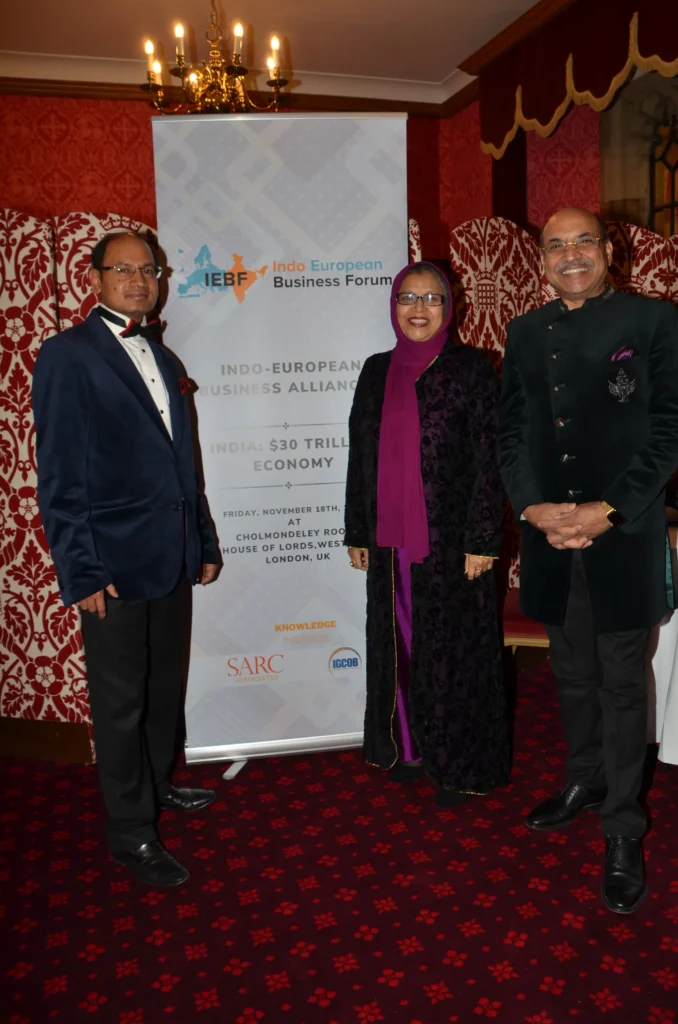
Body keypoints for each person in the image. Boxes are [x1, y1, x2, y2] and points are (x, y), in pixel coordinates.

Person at [498, 207, 678, 914]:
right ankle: (585, 779)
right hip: (550, 539)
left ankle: (624, 828)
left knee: (623, 685)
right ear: (541, 260)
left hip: (623, 536)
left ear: (609, 250)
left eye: (583, 241)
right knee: (572, 675)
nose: (570, 254)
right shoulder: (523, 331)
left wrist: (608, 510)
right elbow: (511, 433)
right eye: (555, 245)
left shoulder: (653, 321)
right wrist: (533, 508)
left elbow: (669, 431)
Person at [32, 231, 221, 887]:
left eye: (149, 270)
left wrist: (202, 540)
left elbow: (183, 463)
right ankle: (130, 833)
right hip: (110, 565)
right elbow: (58, 477)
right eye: (123, 269)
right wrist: (80, 569)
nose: (139, 281)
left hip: (171, 555)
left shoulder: (164, 356)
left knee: (162, 689)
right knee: (119, 704)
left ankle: (157, 785)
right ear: (95, 278)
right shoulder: (67, 355)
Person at [344, 261, 509, 805]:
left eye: (431, 298)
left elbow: (491, 459)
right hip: (389, 541)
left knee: (454, 653)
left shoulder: (471, 369)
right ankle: (408, 748)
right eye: (407, 298)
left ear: (449, 306)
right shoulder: (375, 370)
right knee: (400, 641)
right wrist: (357, 530)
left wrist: (482, 538)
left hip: (453, 545)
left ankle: (458, 764)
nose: (418, 309)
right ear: (393, 306)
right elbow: (359, 455)